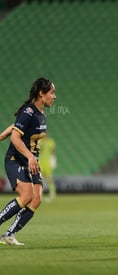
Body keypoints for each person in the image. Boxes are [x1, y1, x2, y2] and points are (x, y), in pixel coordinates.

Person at [0, 77, 56, 246]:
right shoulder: (29, 111)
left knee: (36, 199)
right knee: (26, 196)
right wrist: (30, 156)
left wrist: (2, 134)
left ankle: (8, 235)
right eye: (52, 92)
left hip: (31, 162)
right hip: (16, 160)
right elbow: (16, 138)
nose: (55, 96)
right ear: (41, 93)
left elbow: (16, 126)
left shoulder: (39, 112)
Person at [39, 135, 57, 201]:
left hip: (47, 163)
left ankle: (52, 193)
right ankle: (39, 194)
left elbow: (53, 151)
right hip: (40, 162)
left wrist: (53, 160)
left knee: (49, 178)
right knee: (39, 179)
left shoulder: (50, 142)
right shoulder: (39, 141)